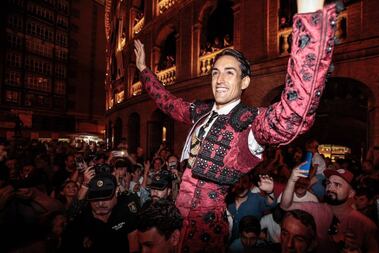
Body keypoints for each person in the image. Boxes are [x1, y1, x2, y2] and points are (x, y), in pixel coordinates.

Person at [134, 0, 338, 251]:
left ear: (244, 82)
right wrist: (144, 69)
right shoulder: (201, 112)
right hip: (175, 223)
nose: (219, 79)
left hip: (206, 230)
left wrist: (309, 17)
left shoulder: (249, 123)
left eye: (229, 72)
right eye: (215, 72)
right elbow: (167, 102)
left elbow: (292, 115)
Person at [280, 166, 379, 252]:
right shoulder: (314, 208)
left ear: (351, 193)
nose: (330, 188)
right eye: (328, 183)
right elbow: (285, 206)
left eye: (337, 185)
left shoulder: (365, 224)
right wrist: (292, 180)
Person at [60, 168, 140, 252]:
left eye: (106, 198)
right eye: (95, 199)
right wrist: (85, 185)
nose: (100, 204)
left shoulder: (126, 208)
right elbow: (71, 214)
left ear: (116, 191)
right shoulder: (82, 219)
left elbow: (134, 246)